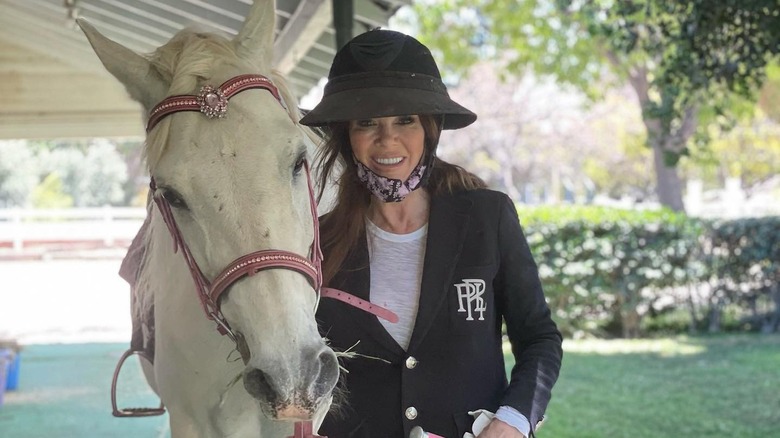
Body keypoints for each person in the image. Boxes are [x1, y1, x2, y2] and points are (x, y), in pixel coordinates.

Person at [299, 29, 563, 438]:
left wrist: (513, 420)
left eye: (405, 119)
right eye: (366, 122)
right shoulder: (319, 240)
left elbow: (540, 339)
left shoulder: (488, 218)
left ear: (430, 129)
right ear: (347, 136)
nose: (387, 138)